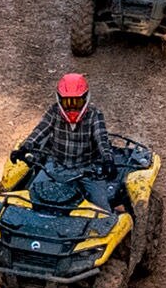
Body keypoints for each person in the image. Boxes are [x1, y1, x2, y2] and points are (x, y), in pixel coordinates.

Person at [14, 74, 118, 206]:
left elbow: (101, 139)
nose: (72, 108)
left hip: (87, 170)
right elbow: (40, 130)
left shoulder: (94, 114)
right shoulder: (54, 111)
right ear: (59, 99)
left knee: (102, 208)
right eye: (68, 103)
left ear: (85, 98)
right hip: (56, 165)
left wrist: (108, 160)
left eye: (77, 102)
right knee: (32, 197)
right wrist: (24, 147)